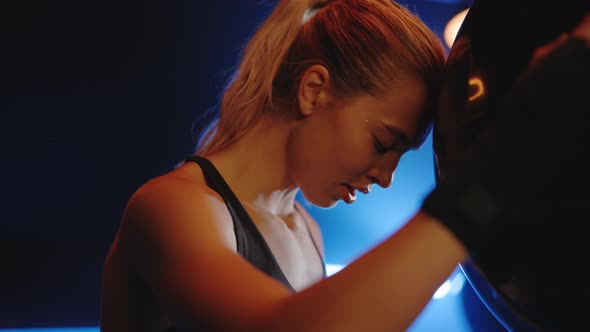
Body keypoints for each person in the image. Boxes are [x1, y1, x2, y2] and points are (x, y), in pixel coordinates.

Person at [100, 0, 590, 330]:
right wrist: (498, 171)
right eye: (384, 142)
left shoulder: (307, 232)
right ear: (314, 89)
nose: (387, 176)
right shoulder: (171, 207)